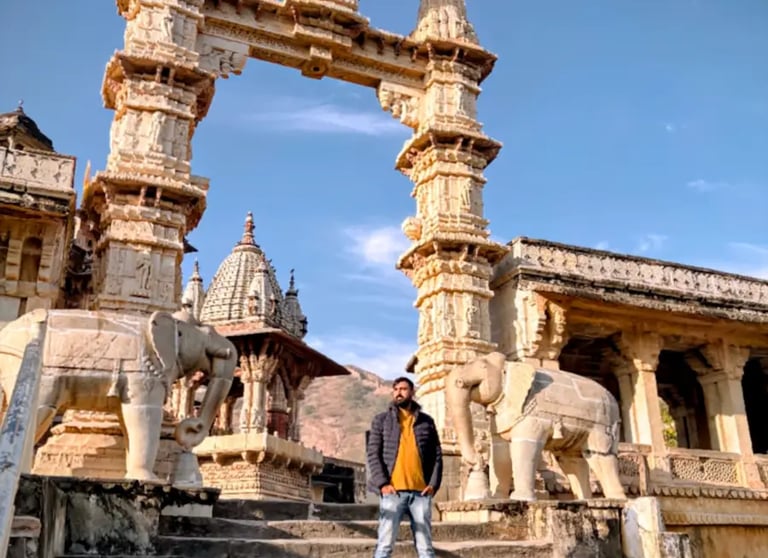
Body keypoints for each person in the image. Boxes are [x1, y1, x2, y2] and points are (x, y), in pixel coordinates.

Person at [366, 376, 443, 558]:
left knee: (425, 548)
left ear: (412, 392)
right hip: (393, 492)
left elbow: (437, 455)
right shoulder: (381, 420)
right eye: (395, 389)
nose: (398, 393)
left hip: (420, 493)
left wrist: (433, 484)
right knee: (385, 545)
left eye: (403, 389)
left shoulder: (426, 421)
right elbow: (373, 454)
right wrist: (383, 484)